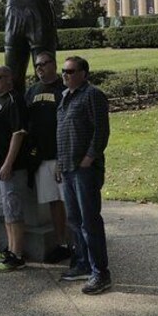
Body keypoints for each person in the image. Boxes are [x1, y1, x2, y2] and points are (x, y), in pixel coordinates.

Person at [56, 55, 112, 295]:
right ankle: (82, 263)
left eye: (70, 71)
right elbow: (61, 132)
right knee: (75, 220)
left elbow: (101, 131)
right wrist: (60, 163)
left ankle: (101, 273)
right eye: (64, 71)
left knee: (90, 222)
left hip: (85, 170)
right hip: (68, 168)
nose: (65, 75)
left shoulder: (93, 95)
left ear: (84, 73)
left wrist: (90, 157)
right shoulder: (65, 97)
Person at [24, 52, 70, 263]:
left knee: (70, 201)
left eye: (44, 63)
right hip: (41, 158)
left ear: (54, 64)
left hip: (63, 156)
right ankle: (61, 243)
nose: (40, 68)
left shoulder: (64, 90)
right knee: (53, 203)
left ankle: (78, 243)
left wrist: (64, 157)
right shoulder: (32, 91)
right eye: (37, 65)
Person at [0, 65, 29, 272]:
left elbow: (18, 133)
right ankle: (10, 249)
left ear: (9, 79)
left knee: (13, 211)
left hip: (10, 168)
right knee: (5, 211)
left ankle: (17, 255)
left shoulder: (15, 100)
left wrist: (8, 163)